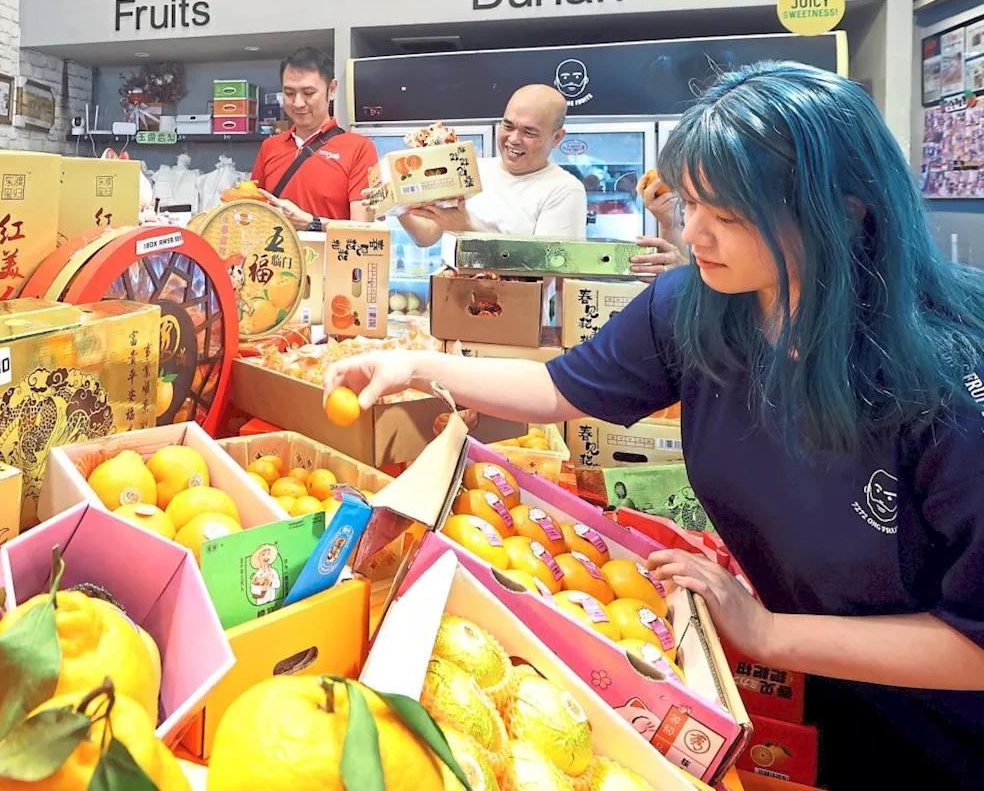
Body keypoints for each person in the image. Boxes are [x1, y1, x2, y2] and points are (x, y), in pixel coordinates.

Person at [325, 61, 984, 790]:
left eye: (729, 215)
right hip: (812, 705)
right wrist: (416, 366)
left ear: (844, 211)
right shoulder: (698, 305)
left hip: (947, 734)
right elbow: (557, 387)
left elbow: (975, 642)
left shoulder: (945, 383)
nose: (692, 233)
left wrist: (765, 631)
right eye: (690, 201)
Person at [396, 84, 588, 248]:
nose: (513, 139)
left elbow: (548, 272)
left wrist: (465, 230)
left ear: (556, 138)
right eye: (508, 126)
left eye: (529, 132)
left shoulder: (565, 190)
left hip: (513, 293)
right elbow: (428, 235)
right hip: (454, 290)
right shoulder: (470, 170)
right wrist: (396, 205)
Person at [253, 47, 378, 231]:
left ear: (332, 89)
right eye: (289, 93)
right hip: (274, 258)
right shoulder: (269, 147)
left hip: (331, 258)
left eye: (309, 93)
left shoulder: (359, 149)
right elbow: (254, 213)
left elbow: (363, 230)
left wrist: (312, 223)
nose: (298, 103)